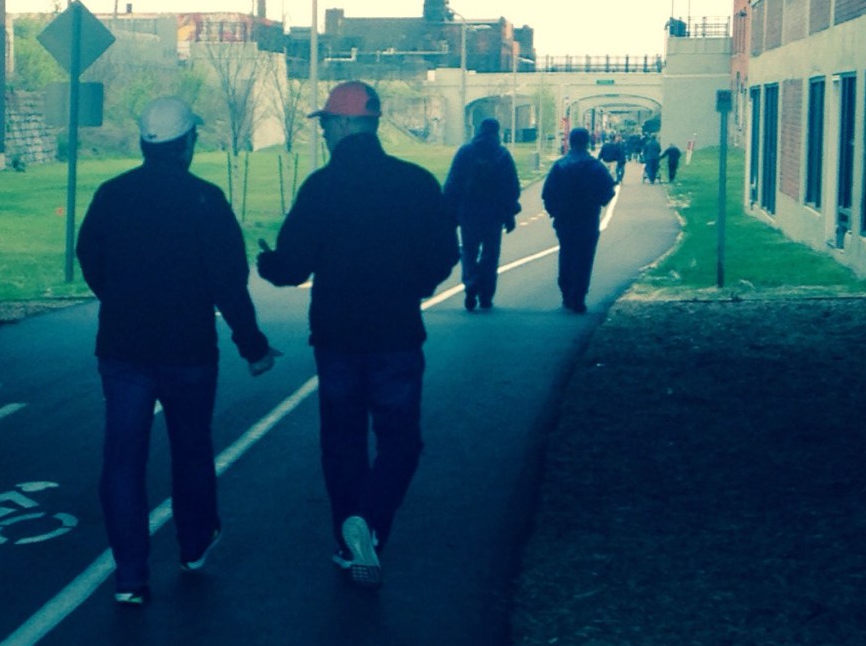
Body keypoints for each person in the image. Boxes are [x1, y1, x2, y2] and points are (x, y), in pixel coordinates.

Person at [76, 97, 280, 606]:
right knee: (191, 448)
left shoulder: (111, 194)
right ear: (187, 142)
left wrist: (118, 300)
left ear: (144, 143)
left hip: (122, 348)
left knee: (122, 459)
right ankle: (193, 544)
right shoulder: (205, 200)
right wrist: (252, 345)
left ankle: (129, 576)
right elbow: (229, 282)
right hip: (189, 350)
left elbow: (89, 256)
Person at [257, 81, 458, 586]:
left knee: (342, 440)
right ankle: (369, 525)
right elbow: (445, 253)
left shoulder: (321, 187)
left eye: (326, 122)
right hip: (397, 333)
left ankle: (351, 537)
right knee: (401, 441)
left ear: (346, 123)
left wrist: (267, 263)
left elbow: (291, 268)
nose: (324, 131)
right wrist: (416, 285)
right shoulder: (416, 183)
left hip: (338, 337)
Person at [443, 116, 522, 311]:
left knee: (469, 251)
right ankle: (486, 295)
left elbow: (453, 183)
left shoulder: (465, 152)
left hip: (468, 211)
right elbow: (512, 187)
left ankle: (471, 282)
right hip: (493, 214)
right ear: (497, 132)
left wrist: (450, 211)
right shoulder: (502, 154)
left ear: (479, 130)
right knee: (490, 253)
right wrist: (509, 213)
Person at [541, 125, 617, 313]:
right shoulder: (595, 166)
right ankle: (579, 296)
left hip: (565, 218)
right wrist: (598, 202)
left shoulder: (560, 165)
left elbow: (547, 193)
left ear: (570, 142)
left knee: (566, 253)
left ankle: (566, 292)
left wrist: (554, 211)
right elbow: (609, 190)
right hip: (587, 218)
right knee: (584, 257)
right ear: (587, 142)